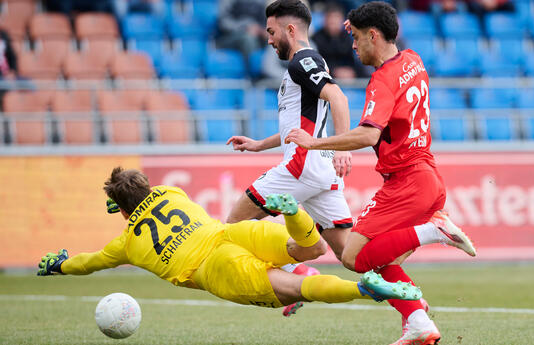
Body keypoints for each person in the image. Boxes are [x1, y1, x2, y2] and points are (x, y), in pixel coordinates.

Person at [284, 2, 476, 345]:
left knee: (353, 257)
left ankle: (434, 231)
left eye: (357, 38)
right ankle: (418, 321)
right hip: (428, 176)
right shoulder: (413, 60)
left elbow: (369, 134)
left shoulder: (383, 81)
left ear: (374, 35)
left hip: (408, 182)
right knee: (382, 255)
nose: (353, 46)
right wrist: (358, 21)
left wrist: (315, 144)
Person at [37, 167, 422, 316]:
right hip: (233, 232)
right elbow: (141, 194)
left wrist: (60, 264)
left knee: (293, 288)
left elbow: (89, 262)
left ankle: (362, 288)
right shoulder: (171, 193)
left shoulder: (125, 245)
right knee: (312, 248)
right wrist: (123, 197)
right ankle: (293, 214)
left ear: (120, 211)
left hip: (213, 268)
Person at [225, 0, 353, 316]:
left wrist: (344, 147)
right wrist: (259, 145)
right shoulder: (302, 65)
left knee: (231, 228)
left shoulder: (302, 61)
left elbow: (338, 96)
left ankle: (296, 277)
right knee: (353, 256)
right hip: (319, 168)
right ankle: (427, 237)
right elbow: (297, 127)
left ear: (290, 29)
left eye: (271, 31)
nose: (268, 39)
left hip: (302, 167)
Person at [311, 2, 364, 79]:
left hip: (349, 79)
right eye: (331, 18)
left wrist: (353, 71)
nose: (333, 22)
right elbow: (316, 65)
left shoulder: (348, 37)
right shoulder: (316, 39)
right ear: (325, 20)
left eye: (336, 18)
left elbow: (355, 61)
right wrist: (334, 71)